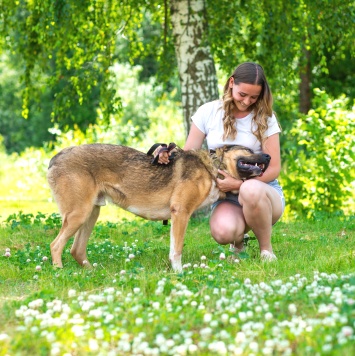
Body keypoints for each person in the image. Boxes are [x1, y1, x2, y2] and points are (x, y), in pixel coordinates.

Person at [156, 62, 285, 261]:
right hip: (226, 197)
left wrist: (239, 184)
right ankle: (238, 243)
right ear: (231, 83)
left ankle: (266, 250)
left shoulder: (265, 118)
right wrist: (166, 153)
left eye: (254, 97)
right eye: (242, 94)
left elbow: (274, 168)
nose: (247, 101)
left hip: (263, 192)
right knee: (223, 232)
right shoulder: (209, 112)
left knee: (249, 190)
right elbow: (188, 154)